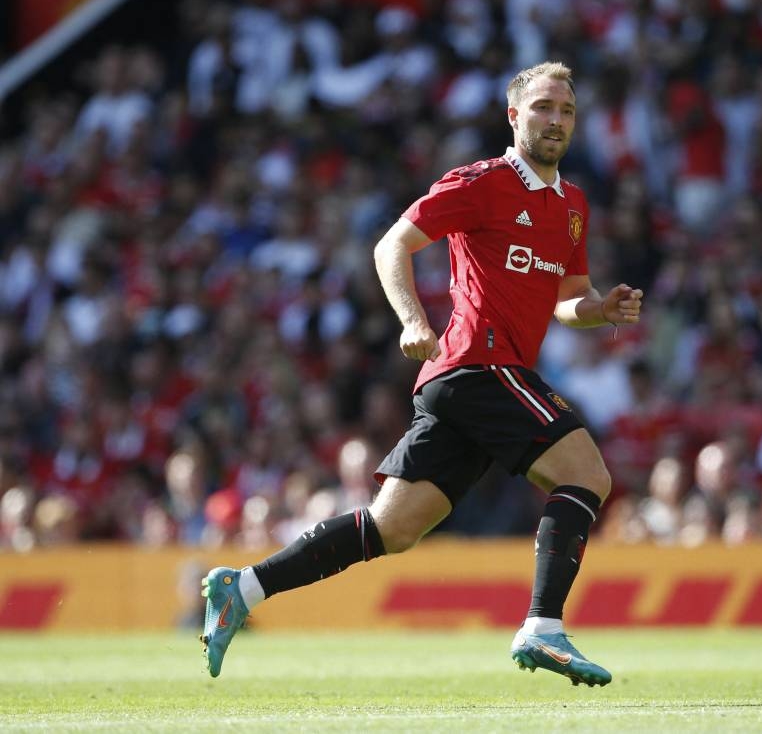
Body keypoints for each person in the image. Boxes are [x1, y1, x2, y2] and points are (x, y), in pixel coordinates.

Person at [199, 61, 643, 687]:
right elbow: (392, 245)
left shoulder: (572, 205)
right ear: (513, 116)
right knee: (587, 476)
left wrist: (601, 309)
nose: (556, 120)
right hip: (476, 363)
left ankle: (242, 588)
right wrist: (412, 319)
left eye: (566, 111)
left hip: (476, 378)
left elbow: (567, 298)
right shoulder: (479, 182)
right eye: (543, 107)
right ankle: (544, 627)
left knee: (393, 527)